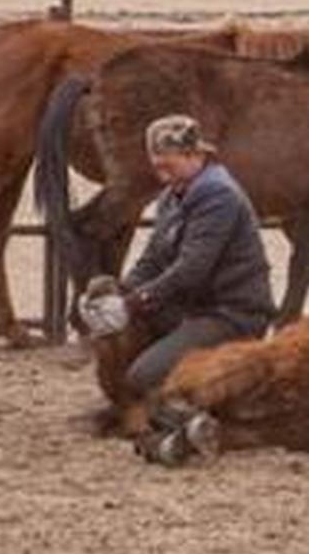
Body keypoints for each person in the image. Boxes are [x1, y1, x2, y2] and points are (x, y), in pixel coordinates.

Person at [78, 114, 273, 429]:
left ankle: (188, 416)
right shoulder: (175, 196)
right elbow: (153, 258)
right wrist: (121, 289)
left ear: (195, 156)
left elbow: (192, 268)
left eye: (169, 166)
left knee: (144, 375)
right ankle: (153, 411)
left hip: (229, 313)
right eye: (158, 168)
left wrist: (130, 304)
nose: (163, 175)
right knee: (116, 332)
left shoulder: (217, 196)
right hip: (194, 308)